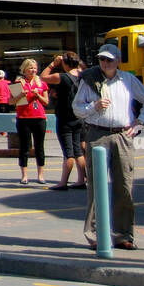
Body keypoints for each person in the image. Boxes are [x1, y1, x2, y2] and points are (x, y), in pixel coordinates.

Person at [73, 44, 144, 250]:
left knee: (124, 185)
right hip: (97, 133)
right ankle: (94, 235)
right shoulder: (90, 80)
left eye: (109, 60)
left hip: (122, 134)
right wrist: (93, 106)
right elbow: (76, 107)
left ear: (118, 61)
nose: (105, 63)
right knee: (95, 186)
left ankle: (123, 234)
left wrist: (139, 123)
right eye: (102, 59)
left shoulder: (127, 79)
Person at [42, 52, 86, 190]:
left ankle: (63, 182)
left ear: (65, 63)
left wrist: (53, 64)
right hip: (79, 117)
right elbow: (83, 66)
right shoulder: (82, 75)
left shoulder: (61, 77)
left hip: (65, 118)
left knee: (68, 152)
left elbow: (42, 77)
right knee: (78, 150)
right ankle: (81, 180)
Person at [13, 58, 50, 185]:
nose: (33, 70)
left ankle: (40, 175)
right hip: (23, 118)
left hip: (39, 117)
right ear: (24, 69)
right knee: (25, 147)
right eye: (30, 68)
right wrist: (20, 95)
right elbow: (11, 102)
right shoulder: (19, 82)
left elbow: (46, 102)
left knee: (40, 147)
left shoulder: (41, 83)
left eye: (34, 68)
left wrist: (38, 95)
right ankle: (24, 176)